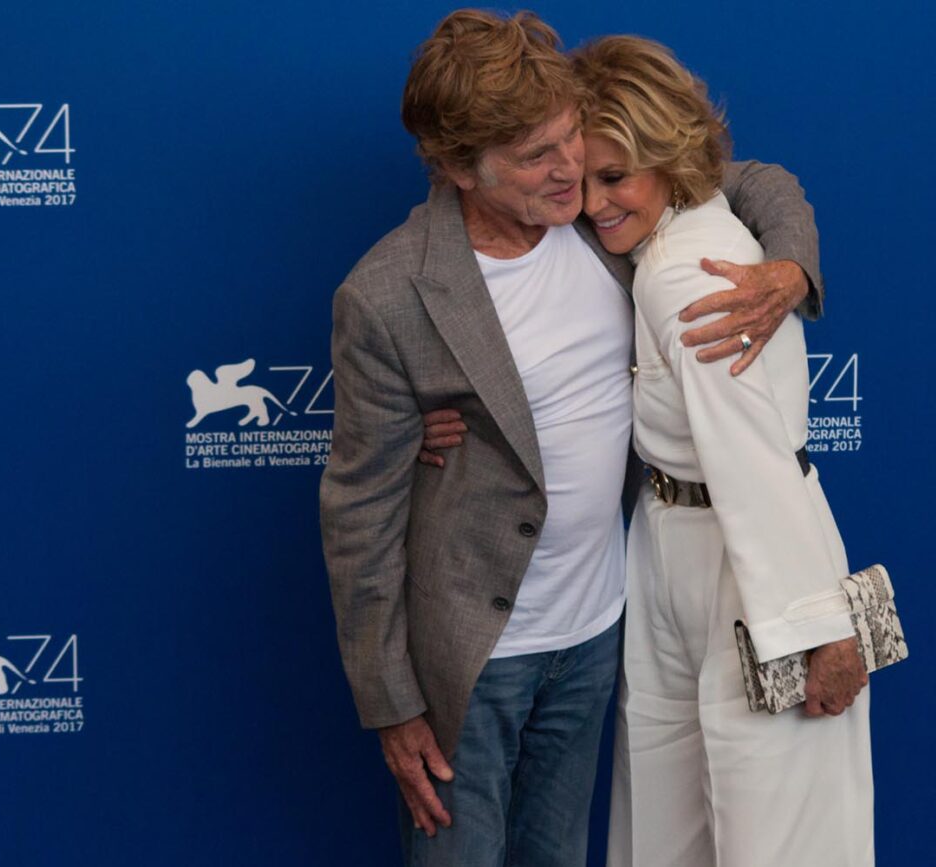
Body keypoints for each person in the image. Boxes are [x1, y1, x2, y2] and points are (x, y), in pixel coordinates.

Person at [320, 10, 827, 866]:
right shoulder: (388, 295)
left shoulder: (601, 219)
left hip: (597, 633)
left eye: (571, 141)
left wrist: (789, 268)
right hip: (469, 658)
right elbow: (357, 512)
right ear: (456, 168)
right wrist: (391, 703)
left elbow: (758, 181)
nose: (571, 175)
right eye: (534, 157)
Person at [570, 36, 873, 866]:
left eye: (615, 176)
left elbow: (752, 462)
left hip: (752, 562)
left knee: (778, 837)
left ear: (667, 156)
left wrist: (821, 627)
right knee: (676, 824)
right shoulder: (664, 242)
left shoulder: (689, 274)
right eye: (583, 176)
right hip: (669, 542)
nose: (593, 203)